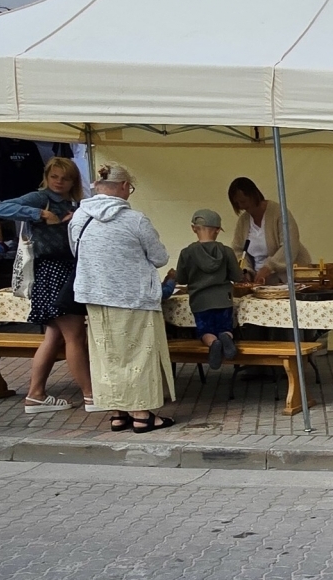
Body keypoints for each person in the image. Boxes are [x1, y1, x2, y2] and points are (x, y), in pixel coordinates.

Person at [69, 163, 175, 434]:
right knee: (137, 356)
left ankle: (118, 413)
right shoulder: (135, 219)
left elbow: (76, 252)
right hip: (133, 297)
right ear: (125, 187)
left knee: (107, 356)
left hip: (94, 295)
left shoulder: (79, 218)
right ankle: (141, 414)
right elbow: (160, 257)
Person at [0, 158, 93, 414]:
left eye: (65, 178)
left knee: (54, 336)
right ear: (47, 177)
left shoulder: (76, 204)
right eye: (55, 176)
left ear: (74, 181)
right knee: (74, 336)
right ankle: (91, 395)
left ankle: (36, 395)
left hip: (58, 271)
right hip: (53, 270)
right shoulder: (40, 198)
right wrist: (39, 213)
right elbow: (1, 209)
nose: (59, 182)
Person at [170, 209, 241, 369]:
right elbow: (237, 277)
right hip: (224, 299)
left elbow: (181, 279)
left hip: (200, 300)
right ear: (217, 230)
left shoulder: (186, 253)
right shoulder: (226, 251)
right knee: (225, 327)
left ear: (194, 228)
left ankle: (213, 343)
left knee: (205, 330)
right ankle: (225, 337)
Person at [228, 177, 311, 285]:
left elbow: (290, 245)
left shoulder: (278, 213)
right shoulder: (243, 221)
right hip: (260, 281)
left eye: (243, 201)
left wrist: (268, 267)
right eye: (237, 203)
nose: (241, 206)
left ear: (254, 195)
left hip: (289, 278)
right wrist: (246, 271)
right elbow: (238, 250)